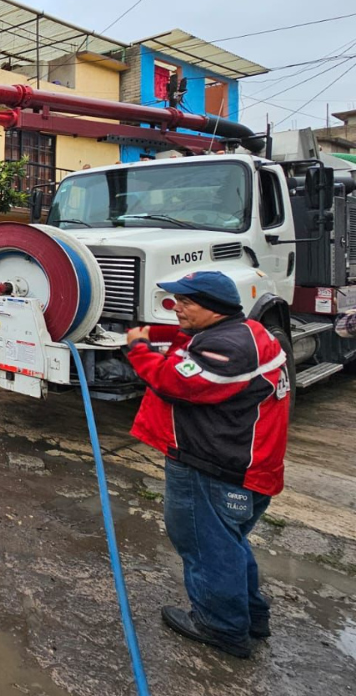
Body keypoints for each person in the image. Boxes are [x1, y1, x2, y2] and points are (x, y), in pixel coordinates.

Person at [124, 271, 290, 659]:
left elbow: (172, 380)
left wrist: (138, 348)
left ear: (214, 308)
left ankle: (221, 627)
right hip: (243, 467)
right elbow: (188, 350)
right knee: (228, 543)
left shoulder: (228, 348)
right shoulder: (246, 331)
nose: (175, 306)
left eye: (186, 301)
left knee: (205, 546)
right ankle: (250, 615)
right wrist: (162, 335)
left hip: (215, 468)